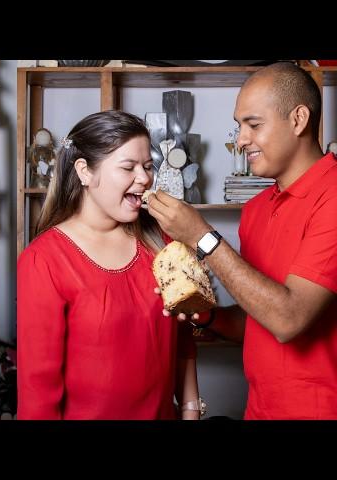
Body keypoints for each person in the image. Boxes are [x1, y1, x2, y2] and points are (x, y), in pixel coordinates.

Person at [146, 61, 337, 419]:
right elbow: (259, 317)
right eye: (238, 126)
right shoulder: (255, 210)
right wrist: (204, 314)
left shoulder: (333, 197)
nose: (240, 139)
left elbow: (288, 319)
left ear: (298, 120)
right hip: (259, 410)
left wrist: (202, 236)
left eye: (253, 124)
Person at [17, 110, 203, 420]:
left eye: (147, 166)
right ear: (85, 172)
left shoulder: (162, 241)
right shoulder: (43, 260)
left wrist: (190, 408)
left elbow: (182, 343)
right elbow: (37, 390)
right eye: (128, 167)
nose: (144, 178)